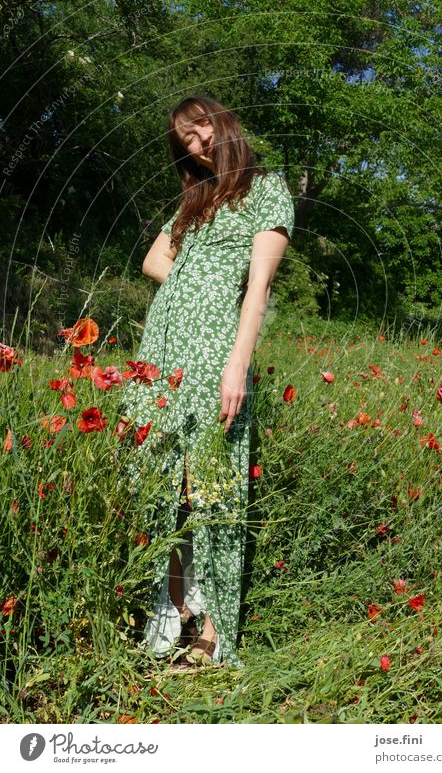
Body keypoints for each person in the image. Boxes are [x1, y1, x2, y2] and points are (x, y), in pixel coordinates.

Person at [119, 94, 295, 670]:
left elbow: (258, 288)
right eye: (185, 140)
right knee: (164, 478)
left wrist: (236, 361)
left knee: (212, 482)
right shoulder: (195, 199)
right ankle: (172, 618)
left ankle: (214, 633)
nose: (197, 143)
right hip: (165, 345)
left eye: (200, 129)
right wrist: (190, 285)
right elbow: (152, 261)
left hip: (215, 348)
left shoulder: (266, 188)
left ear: (224, 121)